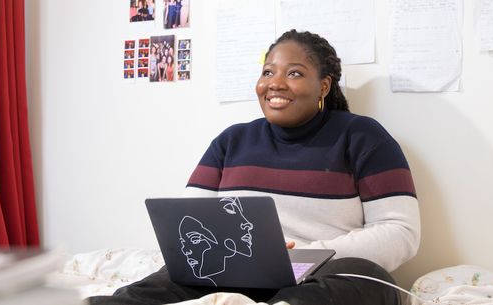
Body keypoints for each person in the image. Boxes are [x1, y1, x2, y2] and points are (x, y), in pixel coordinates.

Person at [90, 30, 419, 305]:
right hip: (234, 269)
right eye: (267, 72)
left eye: (294, 73)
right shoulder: (232, 140)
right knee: (157, 283)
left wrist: (301, 254)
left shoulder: (363, 137)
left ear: (323, 86)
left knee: (370, 279)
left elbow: (400, 234)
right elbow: (188, 220)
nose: (275, 83)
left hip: (318, 274)